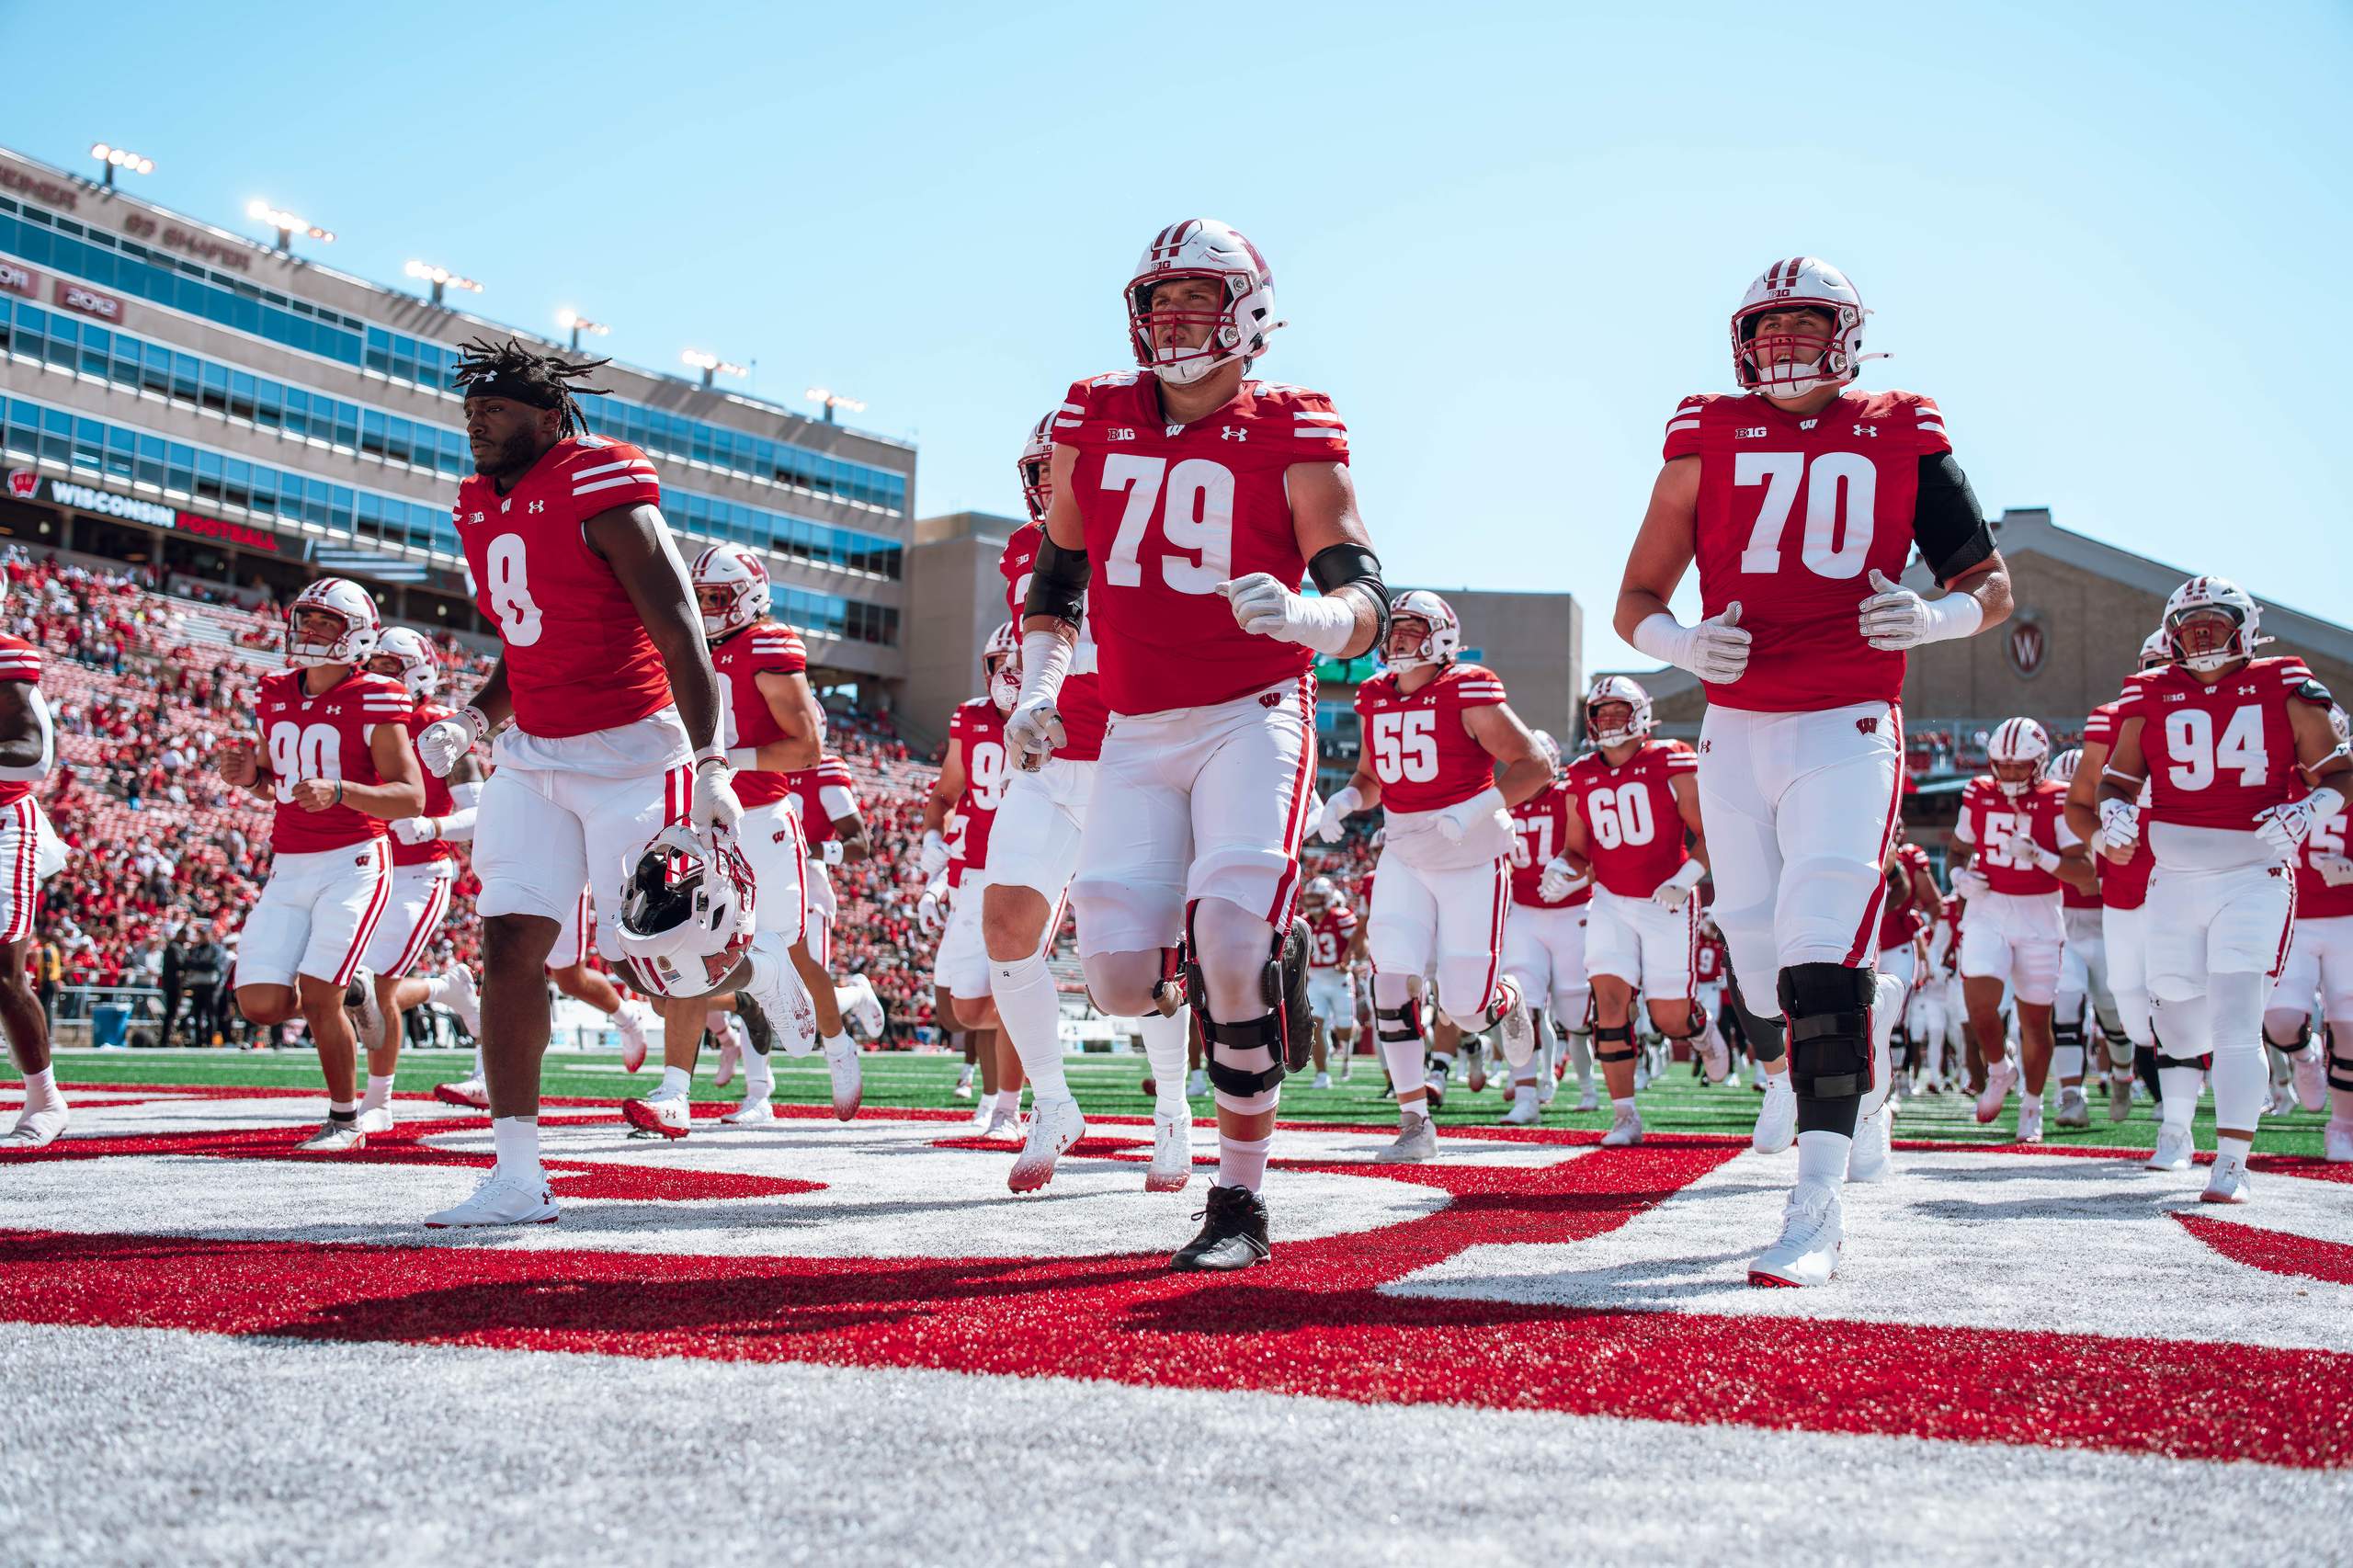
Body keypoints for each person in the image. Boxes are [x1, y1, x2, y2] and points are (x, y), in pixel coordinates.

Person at [1614, 256, 2013, 1287]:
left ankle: (1815, 1209)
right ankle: (1858, 1049)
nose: (1785, 348)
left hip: (1847, 725)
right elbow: (1635, 601)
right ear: (1741, 341)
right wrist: (1682, 644)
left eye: (1806, 327)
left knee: (1816, 969)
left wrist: (1935, 617)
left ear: (1848, 334)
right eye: (1769, 329)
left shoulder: (1901, 428)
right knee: (1758, 981)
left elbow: (1992, 584)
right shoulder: (1704, 432)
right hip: (1735, 731)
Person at [1007, 218, 1388, 1269]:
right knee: (1123, 981)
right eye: (1159, 303)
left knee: (1224, 940)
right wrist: (1038, 689)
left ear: (1249, 314)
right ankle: (1251, 963)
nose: (1173, 323)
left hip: (1250, 710)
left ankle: (1238, 1199)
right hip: (1133, 723)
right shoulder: (1096, 411)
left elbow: (1367, 596)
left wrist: (1310, 623)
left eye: (1196, 301)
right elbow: (1059, 577)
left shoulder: (1295, 427)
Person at [414, 338, 796, 1227]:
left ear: (548, 418)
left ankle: (759, 961)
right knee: (510, 941)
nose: (478, 421)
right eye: (472, 408)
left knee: (671, 963)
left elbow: (682, 636)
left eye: (498, 408)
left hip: (632, 749)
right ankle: (517, 1174)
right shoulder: (477, 503)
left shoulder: (601, 480)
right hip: (536, 756)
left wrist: (707, 762)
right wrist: (475, 720)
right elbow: (528, 641)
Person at [986, 416, 1197, 1192]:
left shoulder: (1153, 533)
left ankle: (1172, 1110)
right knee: (1005, 927)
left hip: (1131, 765)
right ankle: (1053, 1104)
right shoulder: (1023, 546)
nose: (1047, 485)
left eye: (1059, 469)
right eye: (1037, 470)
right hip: (1051, 767)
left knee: (1146, 958)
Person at [2096, 576, 2348, 1198]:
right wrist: (2114, 813)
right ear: (2172, 636)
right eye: (2190, 626)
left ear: (2246, 628)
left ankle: (2232, 1162)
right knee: (2178, 1028)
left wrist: (2311, 809)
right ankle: (2219, 1093)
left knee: (2238, 1021)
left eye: (2214, 623)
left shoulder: (2284, 681)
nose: (2202, 635)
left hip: (2252, 876)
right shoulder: (2150, 691)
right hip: (2175, 883)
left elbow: (2339, 770)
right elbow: (2117, 780)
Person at [1318, 591, 1547, 1163]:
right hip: (1405, 854)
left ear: (1441, 636)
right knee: (1390, 981)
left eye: (1410, 630)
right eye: (1393, 630)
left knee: (1467, 1006)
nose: (1395, 640)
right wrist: (1346, 798)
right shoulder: (1373, 695)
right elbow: (1371, 775)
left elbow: (1535, 767)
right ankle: (1414, 1120)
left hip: (1470, 856)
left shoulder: (1467, 687)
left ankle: (1506, 999)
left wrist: (1472, 810)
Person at [622, 543, 830, 1138]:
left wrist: (719, 760)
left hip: (761, 814)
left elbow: (807, 749)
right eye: (702, 598)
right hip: (697, 815)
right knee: (683, 937)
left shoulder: (769, 645)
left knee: (771, 945)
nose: (709, 610)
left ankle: (778, 1072)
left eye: (718, 598)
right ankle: (674, 1093)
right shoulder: (687, 647)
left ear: (750, 596)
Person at [215, 579, 423, 1152]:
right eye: (305, 618)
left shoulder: (376, 695)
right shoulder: (274, 690)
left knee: (318, 993)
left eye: (325, 622)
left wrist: (342, 791)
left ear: (355, 635)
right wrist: (247, 776)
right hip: (289, 863)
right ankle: (352, 994)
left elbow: (411, 797)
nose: (309, 631)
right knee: (260, 1005)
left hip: (353, 859)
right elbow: (273, 785)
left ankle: (344, 1120)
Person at [1554, 676, 1719, 1147]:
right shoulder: (1582, 772)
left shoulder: (1671, 759)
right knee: (1608, 1005)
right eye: (1600, 713)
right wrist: (1560, 867)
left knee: (1669, 1019)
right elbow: (1576, 849)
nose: (1607, 722)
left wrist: (1687, 877)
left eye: (1616, 712)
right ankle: (1624, 1116)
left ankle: (1702, 1031)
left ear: (1640, 716)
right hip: (1608, 900)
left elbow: (1714, 833)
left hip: (1665, 899)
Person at [351, 626, 483, 1134]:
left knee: (375, 984)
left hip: (420, 870)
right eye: (372, 666)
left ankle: (378, 1101)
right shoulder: (363, 721)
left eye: (388, 667)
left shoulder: (437, 727)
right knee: (342, 984)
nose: (374, 676)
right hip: (366, 866)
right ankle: (443, 988)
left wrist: (434, 826)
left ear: (416, 675)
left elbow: (483, 814)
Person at [918, 626, 1038, 1151]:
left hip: (1027, 870)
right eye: (998, 663)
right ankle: (1036, 1021)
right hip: (971, 871)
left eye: (1017, 662)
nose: (1006, 674)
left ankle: (1008, 1108)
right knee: (960, 1011)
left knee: (1012, 987)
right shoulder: (969, 716)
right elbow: (946, 793)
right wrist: (932, 847)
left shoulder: (1060, 717)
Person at [1949, 717, 2090, 1142]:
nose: (2009, 774)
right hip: (1989, 908)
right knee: (1978, 1003)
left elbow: (2083, 870)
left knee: (2034, 1021)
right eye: (2002, 765)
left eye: (2018, 766)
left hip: (2040, 913)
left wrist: (2042, 858)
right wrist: (1958, 877)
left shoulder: (2058, 798)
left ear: (2039, 763)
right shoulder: (1978, 791)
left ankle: (2033, 1105)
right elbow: (1958, 849)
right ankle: (1998, 1070)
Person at [2068, 630, 2173, 1118]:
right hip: (2127, 885)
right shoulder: (2112, 720)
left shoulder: (2229, 715)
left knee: (2185, 987)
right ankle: (2148, 1077)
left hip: (2196, 875)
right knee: (2130, 1000)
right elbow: (2079, 805)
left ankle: (2180, 1100)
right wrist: (2101, 840)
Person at [2262, 703, 2353, 1160]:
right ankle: (2303, 1055)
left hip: (2347, 921)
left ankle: (2343, 1124)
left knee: (2350, 1023)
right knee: (2279, 1022)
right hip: (2291, 917)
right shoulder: (2276, 782)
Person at [0, 585, 67, 1146]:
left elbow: (35, 754)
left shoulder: (9, 658)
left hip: (3, 822)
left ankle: (45, 1098)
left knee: (3, 973)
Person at [1503, 729, 1593, 1120]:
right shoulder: (1502, 802)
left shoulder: (1570, 797)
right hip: (1522, 914)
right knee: (1522, 1005)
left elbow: (1601, 853)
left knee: (1575, 1013)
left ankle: (1588, 1087)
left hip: (1573, 912)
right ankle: (1525, 1095)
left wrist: (1579, 880)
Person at [2045, 748, 2126, 1126]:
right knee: (2066, 1007)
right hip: (2065, 926)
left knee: (2114, 1014)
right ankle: (2071, 1097)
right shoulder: (2045, 820)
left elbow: (2098, 883)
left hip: (2111, 924)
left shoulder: (2116, 822)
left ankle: (2123, 1076)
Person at [1300, 876, 1359, 1090]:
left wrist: (1350, 958)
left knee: (1344, 1031)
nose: (1313, 902)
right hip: (1316, 979)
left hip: (1339, 979)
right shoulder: (1304, 920)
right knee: (1314, 1026)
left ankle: (1350, 1033)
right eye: (1311, 897)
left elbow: (1362, 944)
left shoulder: (1341, 917)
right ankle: (1322, 1074)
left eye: (1318, 897)